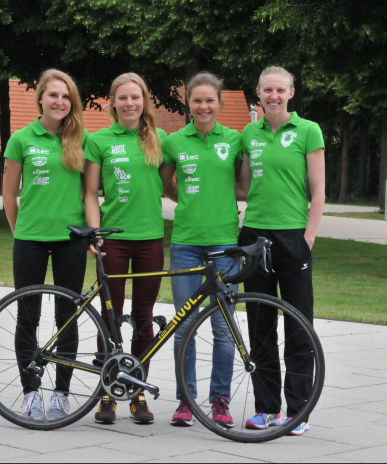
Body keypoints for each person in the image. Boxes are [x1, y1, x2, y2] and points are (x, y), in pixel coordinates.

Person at [237, 66, 325, 436]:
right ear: (258, 94)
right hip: (254, 234)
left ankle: (298, 410)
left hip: (293, 236)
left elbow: (318, 190)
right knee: (259, 323)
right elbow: (243, 186)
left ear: (291, 93)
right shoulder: (248, 133)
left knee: (298, 323)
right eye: (267, 90)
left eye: (280, 90)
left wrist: (308, 236)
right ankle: (266, 409)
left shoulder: (308, 130)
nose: (273, 96)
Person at [3, 69, 89, 421]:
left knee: (66, 317)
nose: (60, 101)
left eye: (66, 96)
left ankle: (62, 394)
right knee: (28, 317)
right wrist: (19, 231)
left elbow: (89, 192)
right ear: (40, 98)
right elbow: (8, 195)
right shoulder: (22, 139)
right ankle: (30, 393)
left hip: (71, 238)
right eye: (53, 95)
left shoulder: (82, 139)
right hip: (31, 240)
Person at [159, 72, 242, 428]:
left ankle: (220, 400)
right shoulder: (174, 142)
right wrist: (188, 203)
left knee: (224, 327)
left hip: (225, 245)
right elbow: (165, 184)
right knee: (185, 325)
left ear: (219, 103)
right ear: (188, 103)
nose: (203, 106)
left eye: (210, 100)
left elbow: (242, 185)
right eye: (197, 100)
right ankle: (185, 400)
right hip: (186, 245)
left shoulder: (236, 140)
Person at [84, 72, 167, 426]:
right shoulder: (98, 139)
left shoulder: (159, 138)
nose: (130, 103)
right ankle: (107, 393)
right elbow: (89, 192)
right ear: (113, 102)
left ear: (144, 101)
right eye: (123, 98)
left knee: (144, 319)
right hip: (113, 238)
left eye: (136, 97)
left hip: (150, 239)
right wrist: (95, 233)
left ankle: (137, 392)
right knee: (111, 318)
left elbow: (167, 185)